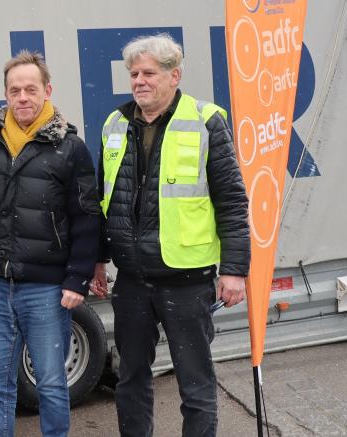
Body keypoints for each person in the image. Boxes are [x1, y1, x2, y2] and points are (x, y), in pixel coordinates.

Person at [90, 34, 250, 437]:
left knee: (195, 384)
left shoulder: (206, 120)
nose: (139, 81)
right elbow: (102, 200)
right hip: (132, 280)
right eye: (133, 74)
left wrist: (233, 269)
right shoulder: (115, 124)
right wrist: (97, 259)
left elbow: (231, 201)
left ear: (174, 75)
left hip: (187, 279)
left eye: (148, 73)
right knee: (130, 380)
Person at [0, 50, 101, 437]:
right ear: (5, 93)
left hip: (48, 289)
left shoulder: (70, 149)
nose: (22, 97)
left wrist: (77, 279)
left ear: (47, 90)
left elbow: (87, 218)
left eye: (30, 89)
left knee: (52, 383)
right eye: (14, 90)